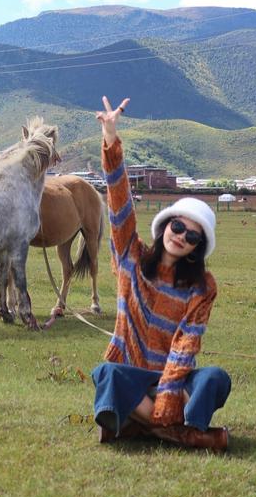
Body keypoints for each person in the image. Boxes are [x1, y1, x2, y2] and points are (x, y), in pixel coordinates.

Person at [92, 96, 231, 451]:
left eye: (192, 235)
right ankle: (178, 433)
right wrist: (110, 138)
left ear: (198, 246)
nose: (181, 235)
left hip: (176, 378)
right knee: (106, 374)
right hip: (132, 375)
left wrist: (170, 390)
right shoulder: (130, 256)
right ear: (164, 225)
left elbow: (188, 341)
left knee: (216, 378)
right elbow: (119, 201)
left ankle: (139, 425)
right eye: (177, 226)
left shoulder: (202, 287)